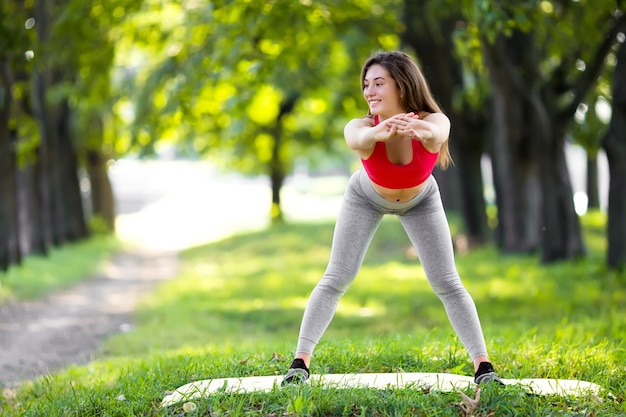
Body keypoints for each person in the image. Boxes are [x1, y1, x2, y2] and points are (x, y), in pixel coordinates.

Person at [282, 51, 502, 386]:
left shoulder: (434, 119)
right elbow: (356, 138)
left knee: (447, 282)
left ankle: (483, 366)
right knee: (336, 277)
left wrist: (419, 130)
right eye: (366, 84)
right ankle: (300, 362)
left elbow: (437, 135)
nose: (369, 91)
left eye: (378, 83)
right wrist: (377, 134)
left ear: (402, 84)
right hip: (365, 197)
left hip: (421, 199)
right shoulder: (362, 126)